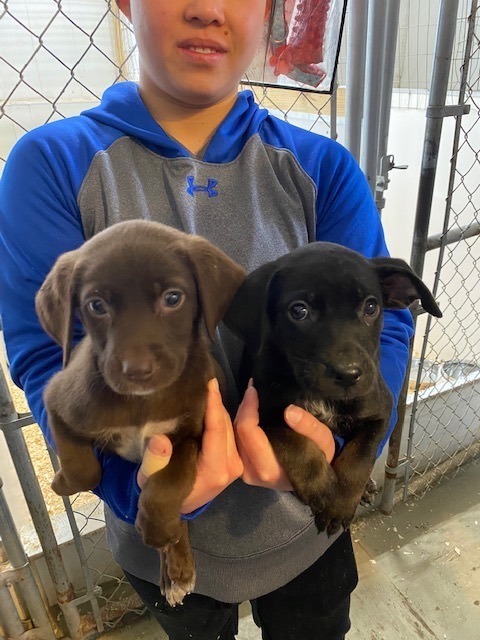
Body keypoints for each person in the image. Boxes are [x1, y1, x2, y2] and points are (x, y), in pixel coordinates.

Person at [0, 1, 414, 638]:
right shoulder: (53, 165)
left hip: (307, 526)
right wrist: (134, 491)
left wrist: (337, 463)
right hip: (163, 534)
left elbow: (381, 326)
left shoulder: (322, 169)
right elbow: (44, 353)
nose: (207, 8)